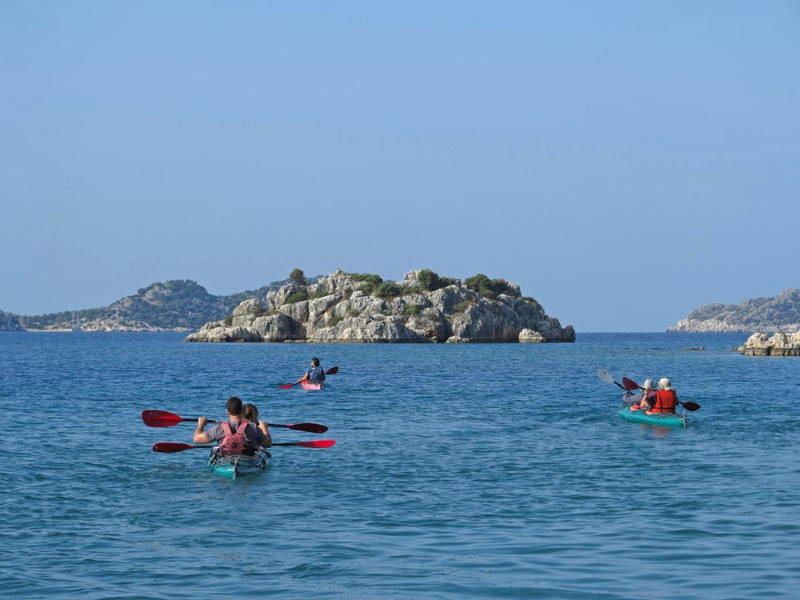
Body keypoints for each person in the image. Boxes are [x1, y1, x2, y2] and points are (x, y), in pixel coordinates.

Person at [194, 396, 272, 456]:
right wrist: (264, 427)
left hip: (226, 460)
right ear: (242, 410)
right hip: (248, 460)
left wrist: (201, 424)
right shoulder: (253, 427)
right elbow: (268, 444)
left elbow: (196, 439)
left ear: (227, 412)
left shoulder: (219, 428)